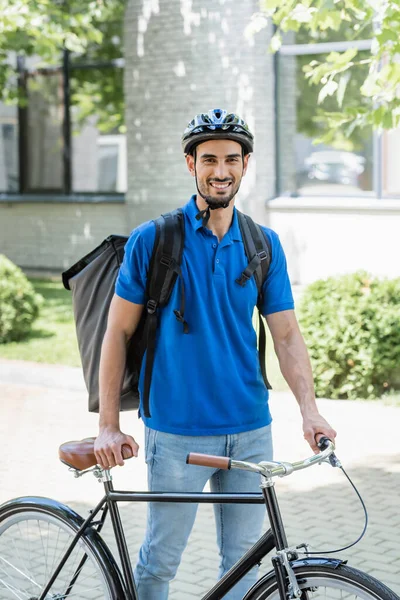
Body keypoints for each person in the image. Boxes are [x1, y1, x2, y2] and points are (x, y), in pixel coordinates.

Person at [94, 108, 337, 600]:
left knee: (243, 566)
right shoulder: (154, 240)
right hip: (176, 432)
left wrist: (310, 412)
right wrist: (107, 424)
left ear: (246, 165)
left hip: (250, 432)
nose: (220, 170)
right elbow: (116, 333)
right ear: (190, 164)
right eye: (209, 159)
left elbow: (287, 336)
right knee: (160, 564)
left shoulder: (262, 245)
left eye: (231, 159)